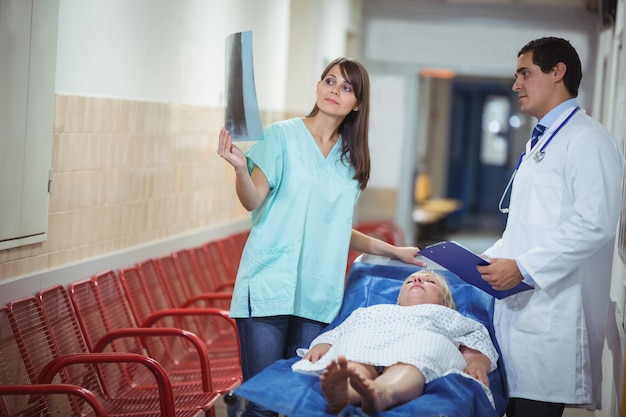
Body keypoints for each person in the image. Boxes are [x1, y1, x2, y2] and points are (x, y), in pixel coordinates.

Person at [217, 57, 426, 417]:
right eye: (329, 81)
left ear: (357, 103)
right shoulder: (281, 136)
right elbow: (253, 200)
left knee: (304, 405)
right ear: (317, 87)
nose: (335, 91)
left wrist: (395, 252)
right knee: (265, 406)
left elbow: (334, 228)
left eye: (347, 88)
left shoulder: (353, 160)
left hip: (318, 297)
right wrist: (239, 169)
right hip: (269, 285)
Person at [477, 37, 624, 417]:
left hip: (554, 320)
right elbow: (526, 227)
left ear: (557, 72)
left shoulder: (589, 140)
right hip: (521, 318)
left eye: (525, 73)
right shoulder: (541, 141)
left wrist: (524, 268)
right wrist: (482, 261)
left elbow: (596, 224)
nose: (516, 86)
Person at [291, 270, 498, 414]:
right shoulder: (371, 312)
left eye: (429, 281)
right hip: (371, 338)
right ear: (398, 299)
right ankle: (349, 391)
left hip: (421, 342)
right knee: (354, 352)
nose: (417, 281)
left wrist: (477, 362)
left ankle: (385, 392)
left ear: (445, 301)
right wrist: (321, 346)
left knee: (419, 353)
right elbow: (340, 332)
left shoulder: (449, 316)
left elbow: (475, 339)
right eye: (410, 281)